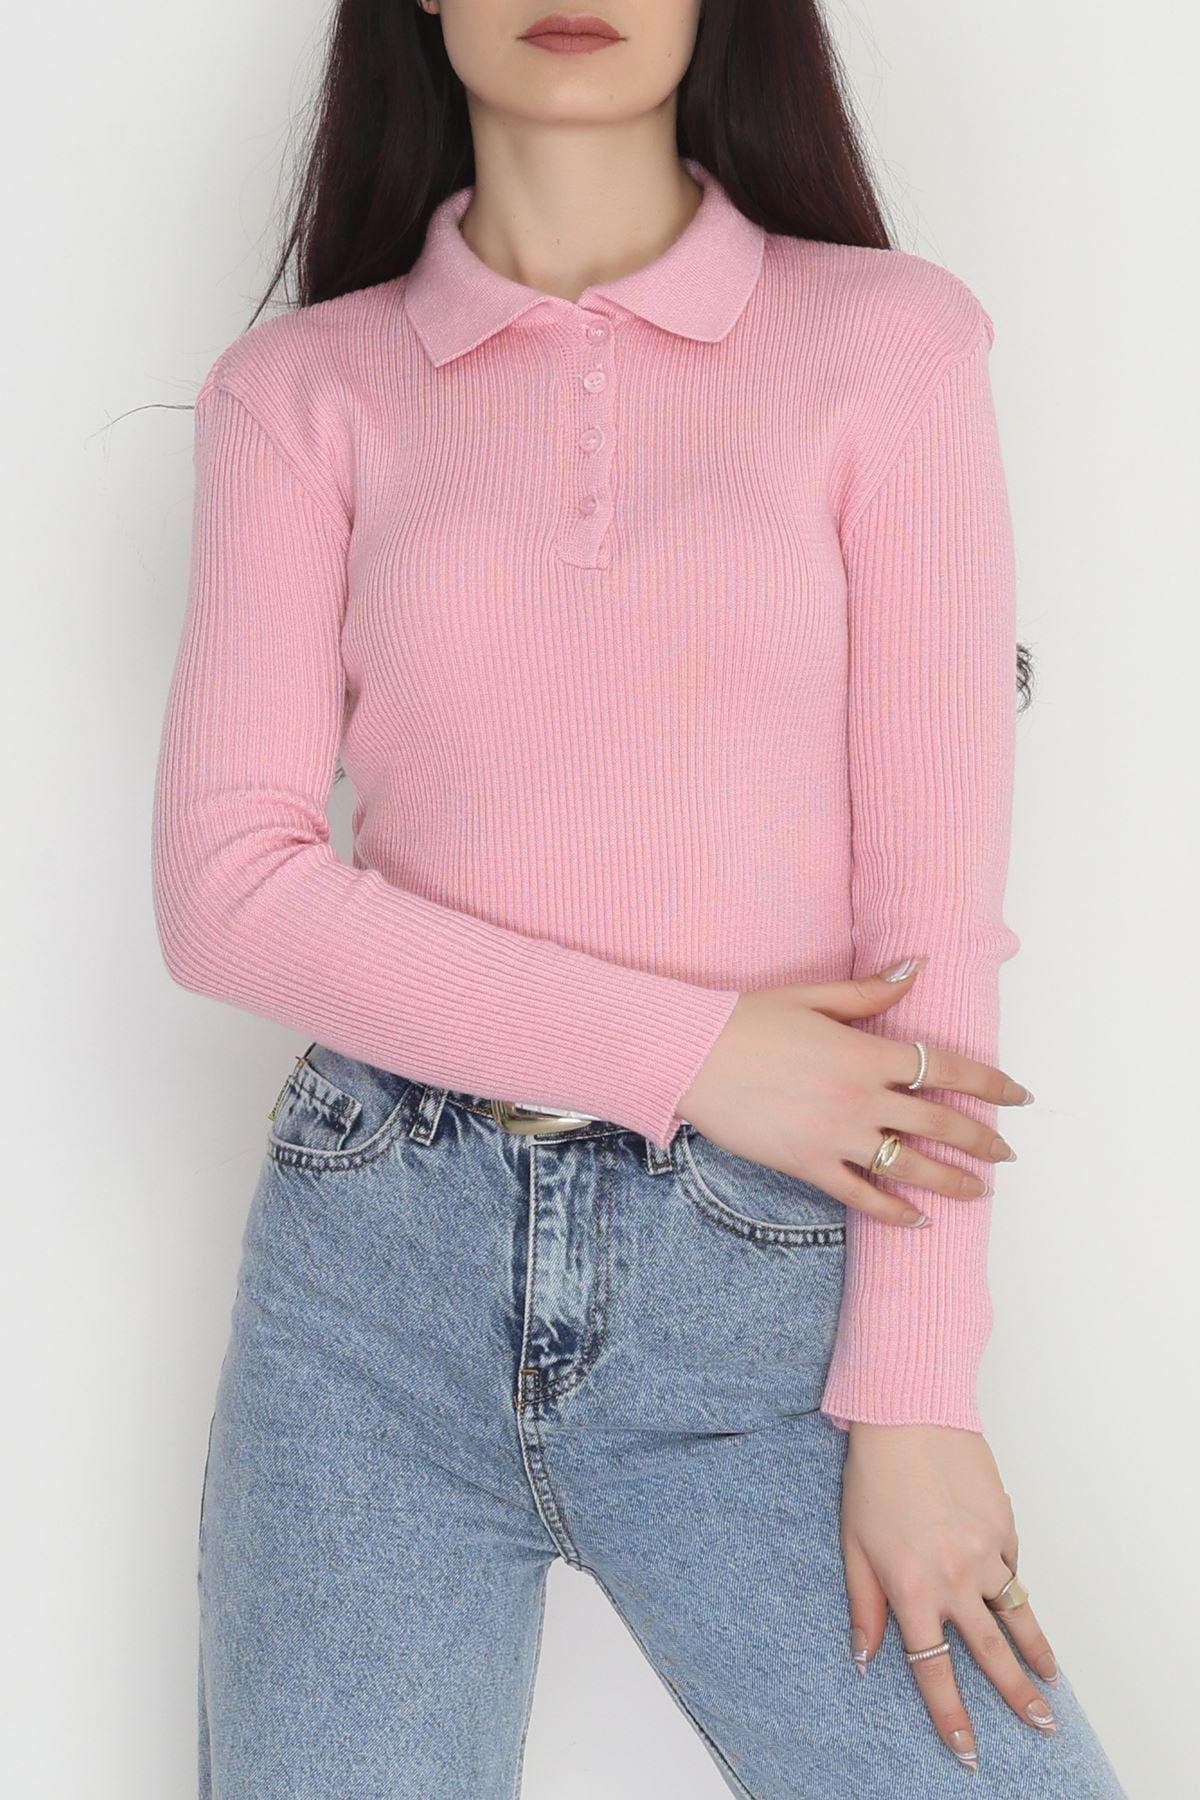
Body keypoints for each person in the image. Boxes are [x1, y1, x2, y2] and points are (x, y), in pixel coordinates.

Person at [150, 3, 1127, 1794]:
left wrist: (918, 1393)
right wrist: (698, 1054)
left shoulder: (889, 346)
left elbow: (936, 925)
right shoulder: (300, 394)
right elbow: (228, 890)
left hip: (767, 1300)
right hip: (372, 1291)